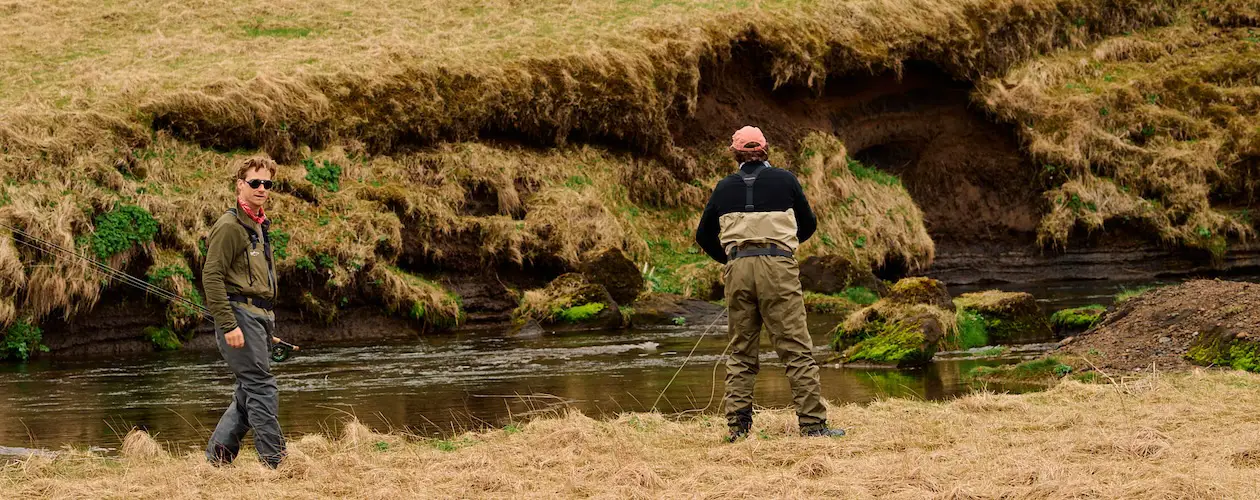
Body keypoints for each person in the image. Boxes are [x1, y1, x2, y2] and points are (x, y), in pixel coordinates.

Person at [695, 126, 845, 442]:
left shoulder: (723, 187)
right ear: (765, 150)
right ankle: (813, 426)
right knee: (796, 349)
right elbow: (809, 224)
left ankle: (738, 430)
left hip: (738, 267)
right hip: (778, 266)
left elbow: (703, 235)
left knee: (741, 351)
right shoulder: (786, 180)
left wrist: (730, 260)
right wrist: (783, 247)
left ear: (735, 154)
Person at [202, 156, 286, 468]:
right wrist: (229, 325)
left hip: (259, 319)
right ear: (240, 185)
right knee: (262, 388)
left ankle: (217, 459)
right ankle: (274, 462)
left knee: (246, 392)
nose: (262, 188)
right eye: (255, 182)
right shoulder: (229, 227)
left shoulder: (259, 225)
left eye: (267, 183)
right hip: (239, 317)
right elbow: (211, 277)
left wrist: (265, 328)